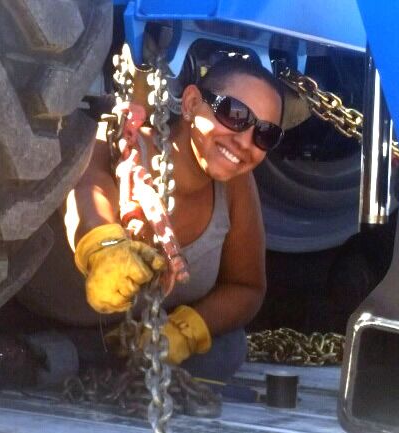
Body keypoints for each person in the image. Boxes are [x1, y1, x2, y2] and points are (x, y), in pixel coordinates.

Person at [66, 56, 284, 381]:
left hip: (141, 344)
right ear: (193, 102)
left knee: (228, 347)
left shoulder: (237, 185)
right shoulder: (118, 141)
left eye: (265, 134)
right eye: (235, 115)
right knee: (58, 356)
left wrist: (184, 330)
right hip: (62, 324)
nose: (245, 142)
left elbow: (247, 287)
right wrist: (102, 248)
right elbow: (87, 186)